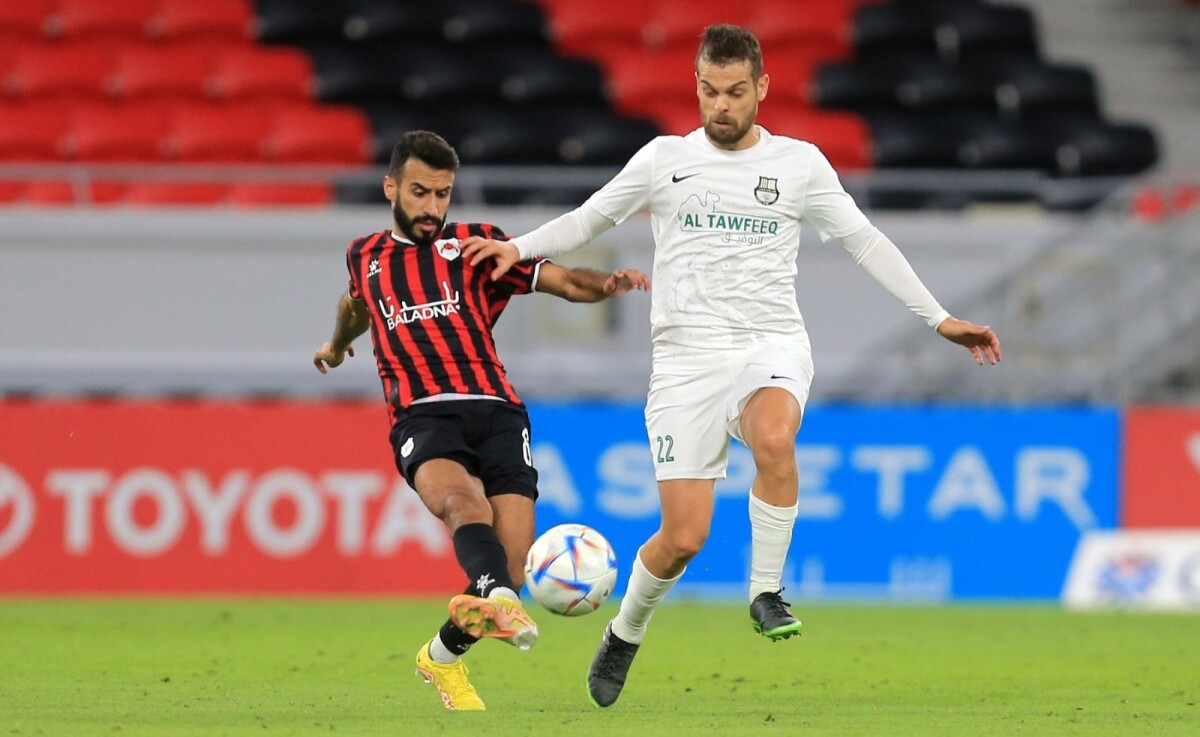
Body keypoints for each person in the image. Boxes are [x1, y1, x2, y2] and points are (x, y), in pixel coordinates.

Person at [461, 25, 1002, 708]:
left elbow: (866, 241)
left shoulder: (799, 164)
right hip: (684, 360)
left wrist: (939, 318)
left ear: (762, 88)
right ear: (697, 87)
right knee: (683, 538)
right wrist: (517, 248)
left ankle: (765, 591)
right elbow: (590, 217)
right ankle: (625, 632)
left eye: (736, 92)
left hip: (768, 343)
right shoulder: (663, 158)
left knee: (774, 438)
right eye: (710, 91)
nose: (722, 105)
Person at [312, 130, 649, 712]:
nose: (432, 207)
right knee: (462, 505)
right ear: (391, 188)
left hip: (497, 410)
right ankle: (497, 599)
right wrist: (337, 344)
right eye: (419, 193)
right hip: (421, 412)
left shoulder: (477, 245)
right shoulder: (364, 254)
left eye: (442, 194)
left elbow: (565, 281)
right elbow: (356, 304)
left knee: (510, 568)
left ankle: (440, 657)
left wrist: (606, 286)